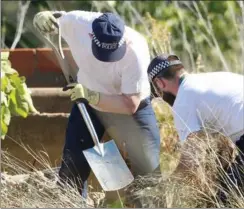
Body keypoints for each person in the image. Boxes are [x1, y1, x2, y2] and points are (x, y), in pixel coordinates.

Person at [33, 10, 161, 199]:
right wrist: (43, 17)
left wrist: (93, 96)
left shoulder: (136, 50)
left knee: (148, 168)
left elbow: (130, 104)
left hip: (130, 107)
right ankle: (72, 202)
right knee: (73, 165)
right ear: (92, 35)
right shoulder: (79, 23)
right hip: (89, 105)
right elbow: (56, 19)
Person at [147, 53, 244, 203]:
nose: (161, 98)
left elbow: (190, 161)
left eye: (158, 94)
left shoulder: (183, 101)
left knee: (227, 200)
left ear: (160, 83)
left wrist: (163, 189)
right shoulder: (215, 77)